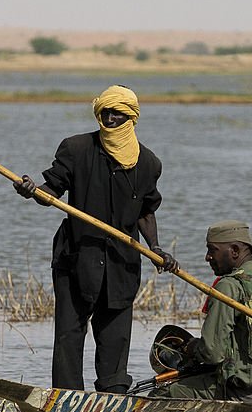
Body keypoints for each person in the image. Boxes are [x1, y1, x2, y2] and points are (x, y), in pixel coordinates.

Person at [14, 85, 177, 393]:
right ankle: (67, 398)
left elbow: (145, 211)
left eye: (117, 113)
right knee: (69, 334)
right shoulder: (76, 149)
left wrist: (154, 248)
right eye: (105, 112)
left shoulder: (148, 163)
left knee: (115, 338)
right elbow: (53, 190)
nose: (110, 118)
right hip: (77, 259)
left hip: (121, 265)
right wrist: (34, 191)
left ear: (131, 118)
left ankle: (113, 397)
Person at [151, 221, 252, 402]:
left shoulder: (229, 286)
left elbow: (212, 353)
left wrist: (192, 347)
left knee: (165, 391)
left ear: (234, 251)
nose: (207, 257)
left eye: (212, 250)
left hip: (250, 391)